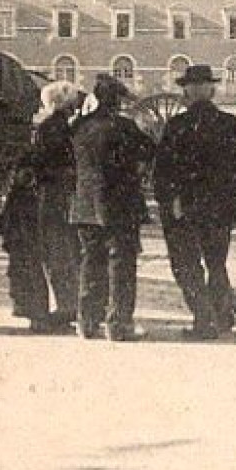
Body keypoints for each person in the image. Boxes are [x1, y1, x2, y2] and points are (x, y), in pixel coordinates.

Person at [154, 64, 236, 340]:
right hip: (220, 208)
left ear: (186, 90)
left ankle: (204, 319)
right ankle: (222, 316)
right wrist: (231, 198)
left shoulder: (176, 126)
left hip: (185, 207)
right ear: (212, 90)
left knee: (186, 265)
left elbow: (163, 171)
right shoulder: (230, 123)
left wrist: (169, 201)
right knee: (216, 262)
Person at [70, 74, 156, 341]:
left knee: (90, 261)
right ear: (118, 100)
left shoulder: (79, 127)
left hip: (84, 205)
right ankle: (118, 324)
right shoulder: (125, 127)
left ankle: (88, 321)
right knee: (121, 263)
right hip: (120, 205)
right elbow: (150, 150)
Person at [0, 80, 84, 333]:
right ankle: (54, 310)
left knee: (37, 254)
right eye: (72, 103)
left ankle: (37, 309)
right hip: (48, 200)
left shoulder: (47, 127)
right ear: (63, 104)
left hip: (34, 199)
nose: (74, 107)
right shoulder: (58, 128)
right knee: (55, 252)